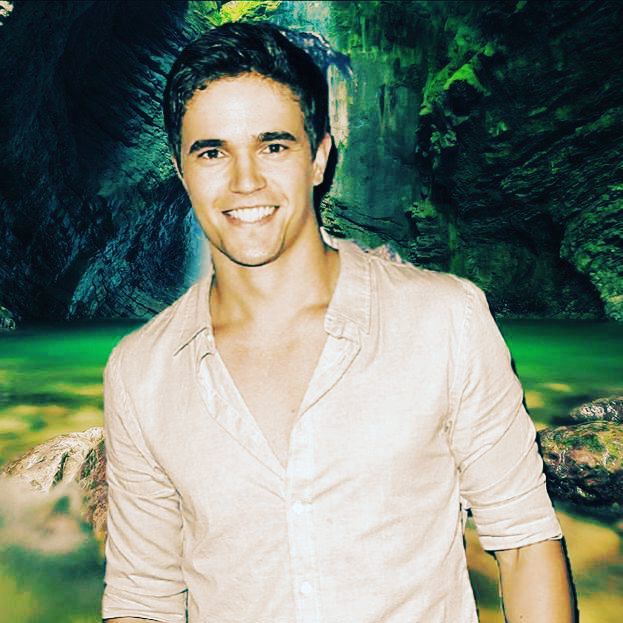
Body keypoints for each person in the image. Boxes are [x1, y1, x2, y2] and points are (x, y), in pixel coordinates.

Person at [102, 21, 575, 623]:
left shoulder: (445, 320)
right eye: (213, 152)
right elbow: (143, 598)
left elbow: (525, 542)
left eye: (274, 146)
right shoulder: (140, 371)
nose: (245, 181)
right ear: (180, 169)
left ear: (319, 157)